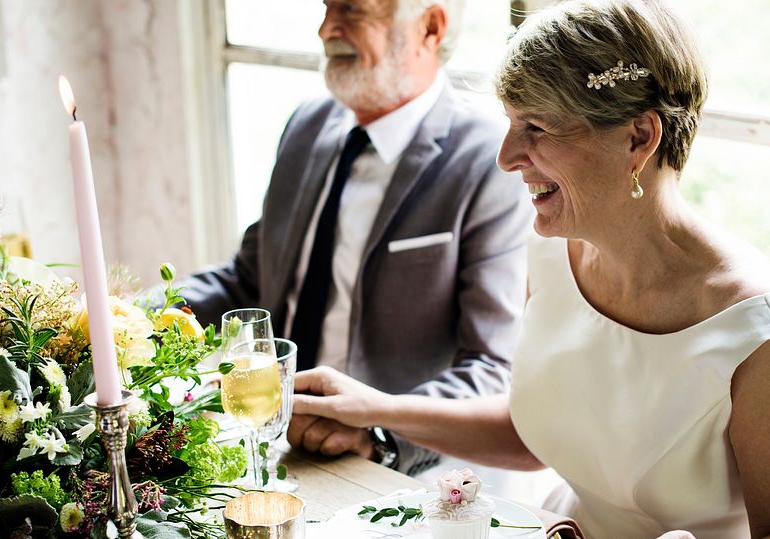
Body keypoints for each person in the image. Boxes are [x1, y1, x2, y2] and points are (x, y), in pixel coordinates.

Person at [289, 0, 770, 539]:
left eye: (535, 126)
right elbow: (542, 429)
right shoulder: (554, 252)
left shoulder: (760, 333)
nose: (506, 156)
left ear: (638, 138)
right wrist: (376, 409)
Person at [172, 0, 533, 475]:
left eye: (351, 10)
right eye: (326, 8)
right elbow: (248, 280)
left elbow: (491, 367)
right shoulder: (307, 124)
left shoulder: (490, 159)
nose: (325, 29)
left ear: (430, 26)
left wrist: (378, 434)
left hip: (401, 474)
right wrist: (136, 315)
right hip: (271, 441)